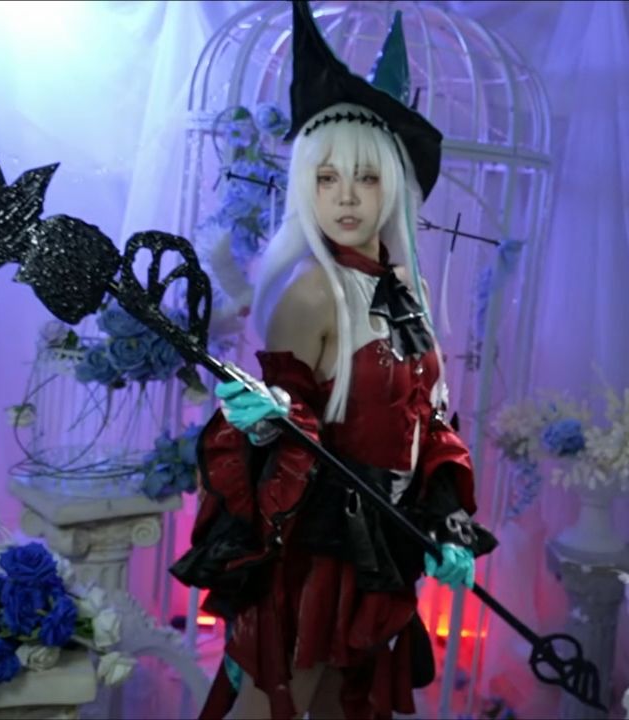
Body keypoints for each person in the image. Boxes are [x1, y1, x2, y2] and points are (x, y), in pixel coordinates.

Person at [169, 3, 496, 719]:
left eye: (365, 178)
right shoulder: (310, 294)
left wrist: (445, 519)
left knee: (347, 705)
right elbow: (272, 456)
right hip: (315, 552)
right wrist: (264, 422)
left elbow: (427, 419)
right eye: (326, 177)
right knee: (279, 702)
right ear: (304, 185)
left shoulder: (405, 286)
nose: (345, 197)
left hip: (385, 542)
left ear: (394, 184)